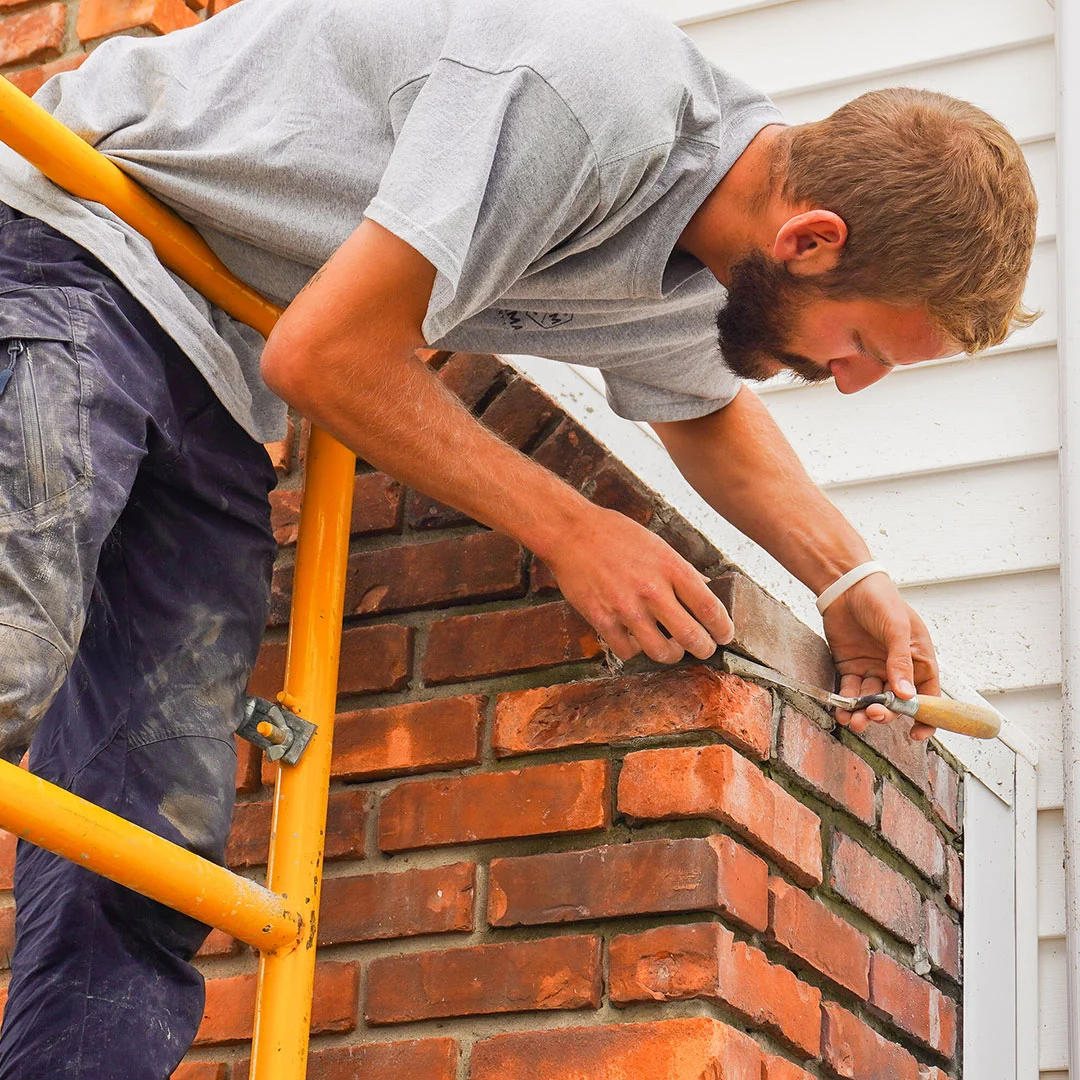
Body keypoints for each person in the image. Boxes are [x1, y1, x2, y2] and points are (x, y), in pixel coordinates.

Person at [0, 0, 1037, 1075]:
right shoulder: (591, 98)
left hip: (214, 360)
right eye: (864, 343)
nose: (853, 382)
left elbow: (705, 410)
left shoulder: (716, 264)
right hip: (71, 231)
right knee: (7, 654)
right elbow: (331, 354)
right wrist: (572, 528)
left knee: (149, 846)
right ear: (810, 240)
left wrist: (847, 578)